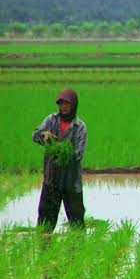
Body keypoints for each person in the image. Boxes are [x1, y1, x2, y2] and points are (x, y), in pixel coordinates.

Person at [32, 88, 87, 233]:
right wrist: (43, 134)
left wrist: (63, 156)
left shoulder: (79, 127)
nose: (64, 107)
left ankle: (78, 253)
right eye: (61, 104)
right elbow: (35, 135)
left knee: (77, 227)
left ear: (74, 105)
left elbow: (78, 154)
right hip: (51, 180)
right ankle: (45, 252)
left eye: (67, 104)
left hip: (71, 183)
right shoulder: (51, 120)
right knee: (45, 226)